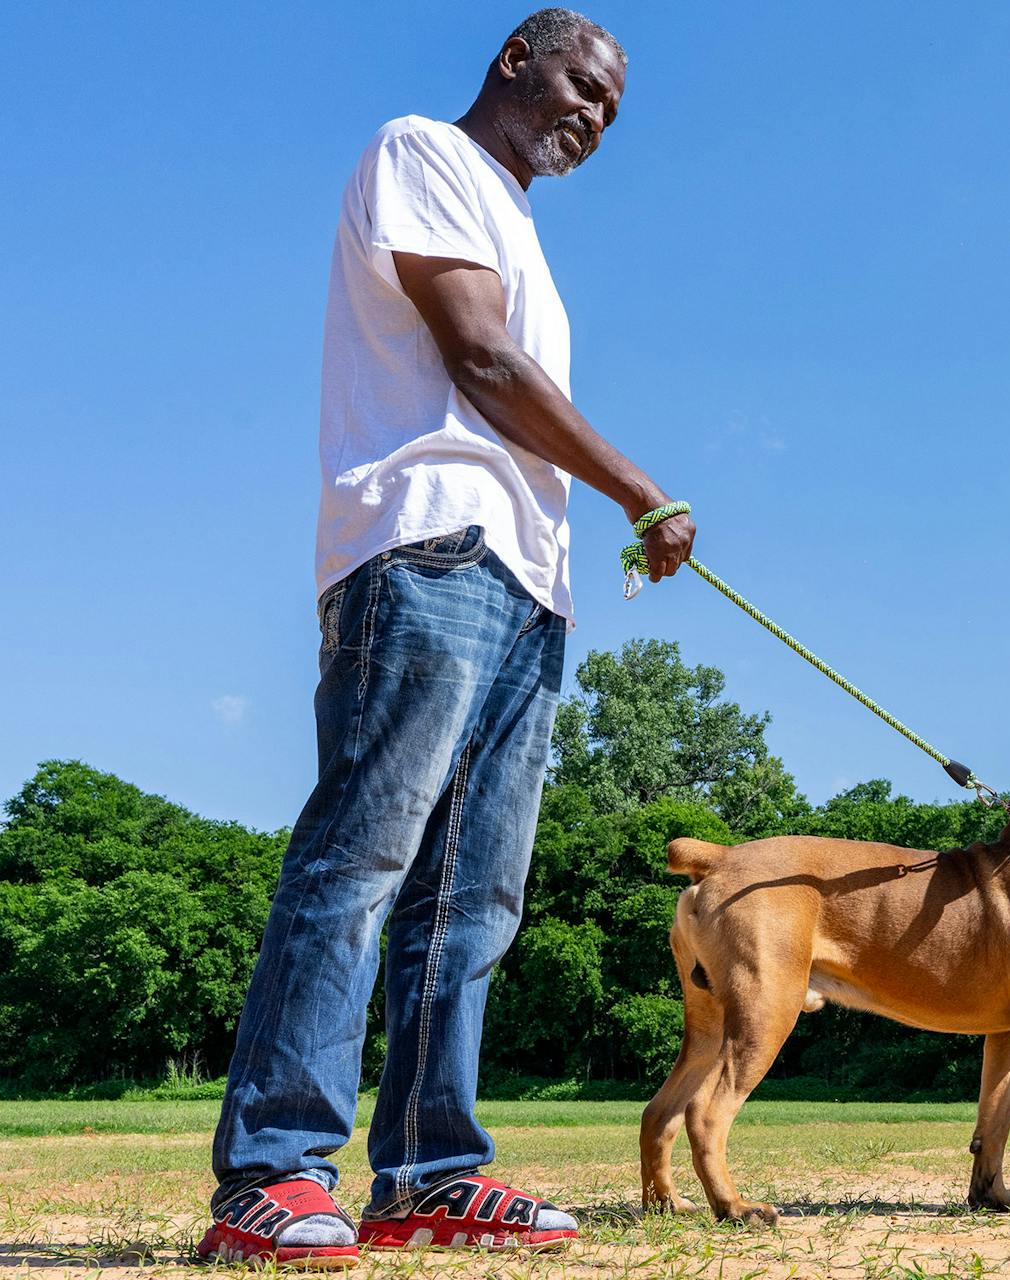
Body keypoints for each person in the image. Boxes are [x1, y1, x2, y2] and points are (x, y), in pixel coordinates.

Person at [201, 9, 696, 1267]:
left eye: (613, 112)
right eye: (583, 86)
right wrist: (638, 488)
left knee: (473, 897)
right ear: (514, 62)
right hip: (428, 543)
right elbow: (478, 362)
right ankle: (272, 1168)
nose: (594, 117)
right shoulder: (422, 150)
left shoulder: (524, 229)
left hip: (532, 586)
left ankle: (426, 1171)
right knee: (361, 858)